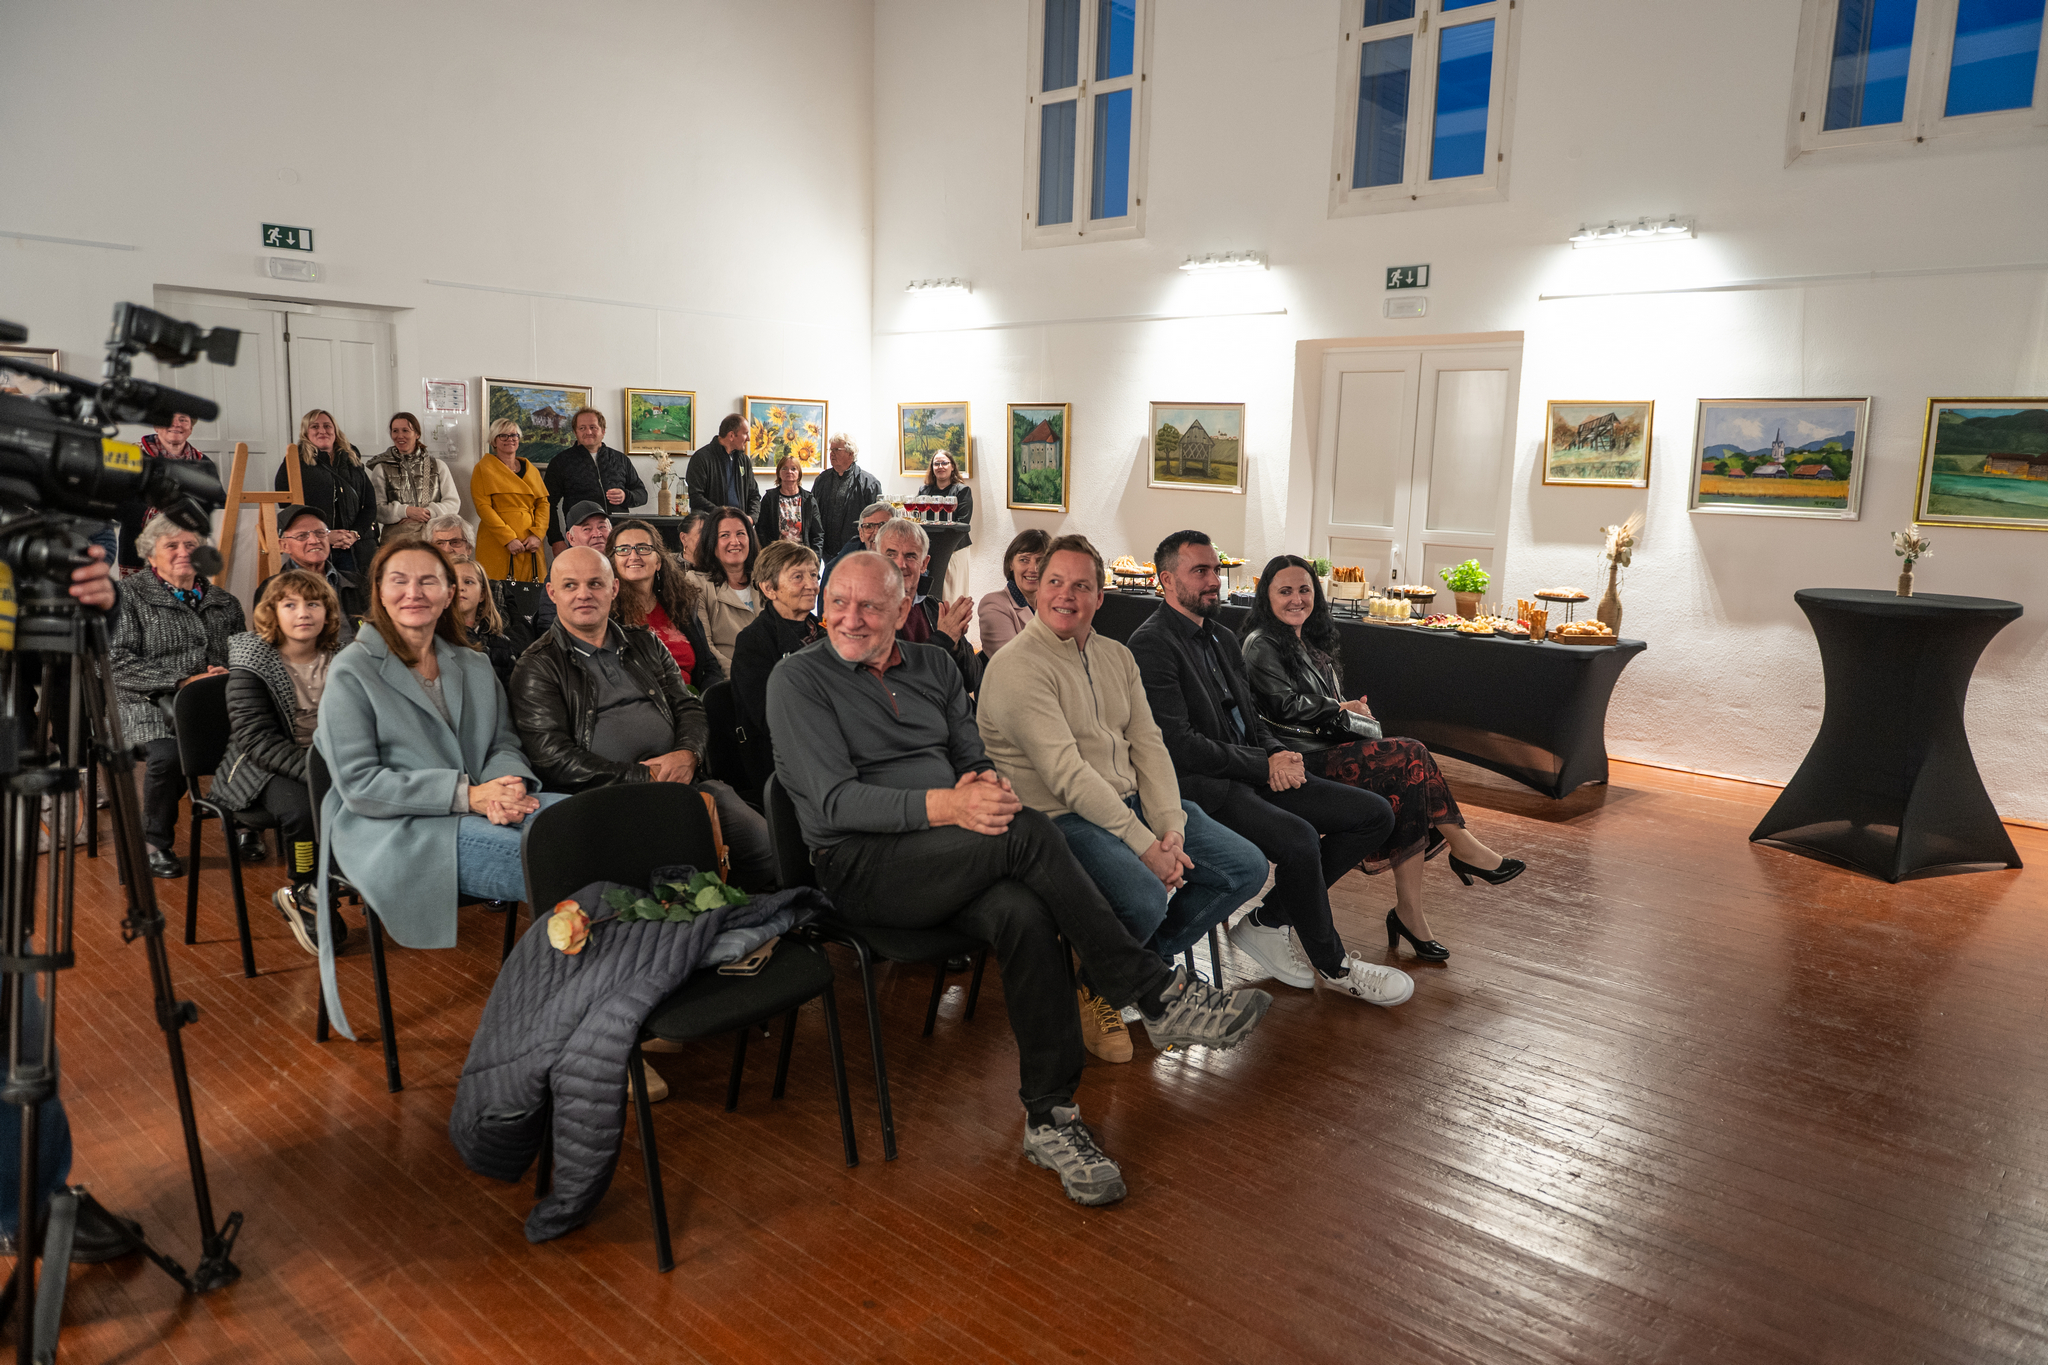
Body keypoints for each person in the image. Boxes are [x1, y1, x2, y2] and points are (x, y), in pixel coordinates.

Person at [766, 550, 1273, 1207]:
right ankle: (1154, 990)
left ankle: (1050, 1116)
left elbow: (968, 752)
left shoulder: (934, 665)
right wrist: (954, 806)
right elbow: (834, 803)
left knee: (1022, 911)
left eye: (869, 605)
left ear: (902, 607)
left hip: (950, 851)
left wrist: (983, 782)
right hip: (861, 867)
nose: (849, 618)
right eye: (837, 602)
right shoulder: (797, 679)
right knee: (1029, 830)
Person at [976, 536, 1269, 1065]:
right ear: (1037, 591)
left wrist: (1170, 827)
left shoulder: (1116, 656)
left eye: (1081, 585)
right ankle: (1125, 984)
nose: (1066, 595)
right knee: (1144, 898)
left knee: (1244, 868)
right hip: (1058, 820)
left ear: (1100, 596)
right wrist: (1145, 846)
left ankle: (1113, 974)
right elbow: (1067, 776)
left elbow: (1149, 745)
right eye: (1054, 582)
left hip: (1130, 804)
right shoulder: (1017, 666)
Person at [1127, 530, 1413, 1007]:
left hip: (1251, 771)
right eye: (1200, 571)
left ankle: (1267, 920)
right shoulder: (1150, 645)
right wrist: (1265, 764)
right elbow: (1179, 746)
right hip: (1204, 787)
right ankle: (1335, 967)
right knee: (1300, 839)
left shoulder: (1221, 637)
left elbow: (1250, 718)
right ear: (1166, 580)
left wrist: (1281, 754)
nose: (1213, 580)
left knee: (1374, 815)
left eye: (1216, 570)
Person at [312, 540, 564, 1032]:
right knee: (562, 861)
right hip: (397, 827)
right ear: (379, 592)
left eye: (428, 580)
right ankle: (580, 1015)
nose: (414, 592)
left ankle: (605, 999)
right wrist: (468, 796)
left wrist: (504, 786)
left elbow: (503, 742)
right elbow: (361, 785)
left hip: (481, 803)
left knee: (588, 825)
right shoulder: (352, 669)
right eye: (399, 580)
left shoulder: (471, 662)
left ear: (450, 593)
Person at [1240, 556, 1525, 962]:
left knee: (1410, 780)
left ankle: (1411, 912)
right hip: (1296, 761)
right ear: (1266, 597)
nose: (1296, 599)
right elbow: (1284, 705)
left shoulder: (1309, 642)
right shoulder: (1261, 643)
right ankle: (1461, 848)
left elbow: (1318, 706)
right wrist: (1341, 708)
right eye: (1284, 591)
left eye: (1304, 589)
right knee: (1411, 754)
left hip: (1326, 750)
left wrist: (1351, 710)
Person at [509, 548, 774, 889]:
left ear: (614, 588)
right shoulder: (537, 666)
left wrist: (688, 754)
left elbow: (688, 706)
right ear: (552, 593)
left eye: (595, 583)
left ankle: (741, 914)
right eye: (570, 585)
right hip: (604, 799)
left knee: (764, 848)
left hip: (686, 783)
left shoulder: (646, 642)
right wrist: (645, 777)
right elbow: (552, 757)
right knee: (676, 873)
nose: (584, 594)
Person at [213, 569, 347, 954]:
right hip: (262, 766)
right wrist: (321, 775)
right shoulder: (252, 660)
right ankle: (305, 888)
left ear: (327, 612)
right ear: (272, 612)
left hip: (333, 759)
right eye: (290, 605)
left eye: (313, 604)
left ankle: (336, 884)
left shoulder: (343, 657)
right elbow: (256, 740)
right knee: (304, 809)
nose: (303, 612)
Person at [110, 516, 247, 878]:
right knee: (169, 756)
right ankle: (154, 842)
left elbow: (242, 654)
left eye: (191, 545)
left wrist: (226, 673)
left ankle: (245, 824)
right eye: (171, 546)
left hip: (216, 702)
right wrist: (183, 680)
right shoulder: (127, 596)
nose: (183, 552)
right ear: (150, 555)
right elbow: (113, 662)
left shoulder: (225, 602)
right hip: (147, 703)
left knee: (255, 740)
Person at [728, 540, 822, 803]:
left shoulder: (827, 633)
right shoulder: (754, 641)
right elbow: (771, 720)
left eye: (814, 575)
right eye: (798, 577)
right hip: (782, 760)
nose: (812, 585)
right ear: (769, 589)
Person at [607, 518, 721, 688]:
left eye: (643, 548)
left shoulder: (679, 603)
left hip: (693, 697)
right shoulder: (607, 613)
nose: (634, 556)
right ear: (613, 562)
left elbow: (709, 664)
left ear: (658, 562)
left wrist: (707, 697)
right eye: (623, 549)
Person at [873, 517, 978, 694]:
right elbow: (898, 682)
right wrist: (944, 639)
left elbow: (972, 681)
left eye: (910, 556)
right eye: (891, 555)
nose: (901, 564)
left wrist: (955, 646)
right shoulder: (867, 614)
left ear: (924, 564)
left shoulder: (935, 608)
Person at [113, 411, 217, 569]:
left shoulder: (203, 463)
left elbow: (218, 504)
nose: (176, 424)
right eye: (169, 419)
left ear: (190, 428)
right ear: (156, 426)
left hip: (188, 554)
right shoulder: (131, 456)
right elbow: (116, 503)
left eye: (183, 420)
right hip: (139, 550)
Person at [275, 409, 375, 571]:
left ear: (335, 431)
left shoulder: (353, 462)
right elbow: (289, 511)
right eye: (315, 426)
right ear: (306, 433)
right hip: (315, 548)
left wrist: (354, 534)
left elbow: (370, 506)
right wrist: (325, 535)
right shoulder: (294, 463)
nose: (322, 431)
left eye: (327, 426)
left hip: (356, 548)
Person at [257, 504, 368, 636]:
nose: (314, 540)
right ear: (284, 546)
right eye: (302, 536)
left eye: (320, 533)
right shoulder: (270, 590)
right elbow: (267, 639)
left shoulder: (356, 582)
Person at [543, 407, 645, 546]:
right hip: (582, 539)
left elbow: (642, 494)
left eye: (593, 427)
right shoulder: (560, 462)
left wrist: (625, 496)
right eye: (582, 428)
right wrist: (556, 540)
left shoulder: (620, 459)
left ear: (603, 431)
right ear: (575, 432)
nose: (588, 432)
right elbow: (547, 504)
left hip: (619, 538)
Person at [471, 417, 551, 583]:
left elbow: (543, 504)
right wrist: (508, 538)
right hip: (497, 543)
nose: (510, 439)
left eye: (514, 435)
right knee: (497, 591)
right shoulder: (483, 468)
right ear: (494, 440)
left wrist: (538, 535)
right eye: (503, 435)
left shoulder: (531, 469)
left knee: (531, 592)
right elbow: (483, 507)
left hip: (530, 543)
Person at [688, 505, 762, 676]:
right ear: (711, 541)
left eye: (740, 533)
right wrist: (742, 677)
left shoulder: (766, 581)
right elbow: (706, 647)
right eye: (724, 535)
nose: (735, 541)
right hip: (728, 678)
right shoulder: (696, 583)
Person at [366, 412, 460, 537]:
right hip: (397, 539)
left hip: (434, 537)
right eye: (395, 431)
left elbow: (453, 503)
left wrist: (428, 513)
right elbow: (377, 509)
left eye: (405, 430)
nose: (400, 436)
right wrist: (405, 511)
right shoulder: (381, 468)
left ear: (417, 434)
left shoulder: (438, 465)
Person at [529, 501, 616, 635]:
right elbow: (548, 620)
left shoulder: (623, 560)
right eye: (587, 529)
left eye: (602, 526)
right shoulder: (562, 567)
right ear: (571, 538)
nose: (597, 533)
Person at [454, 557, 533, 691]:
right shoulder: (434, 639)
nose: (460, 588)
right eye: (453, 582)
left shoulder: (502, 643)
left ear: (482, 594)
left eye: (468, 582)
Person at [978, 528, 1051, 656]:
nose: (1033, 569)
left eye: (1041, 561)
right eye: (1024, 560)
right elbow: (1011, 660)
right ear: (1011, 564)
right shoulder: (994, 604)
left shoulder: (1055, 604)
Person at [811, 432, 883, 560]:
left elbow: (876, 521)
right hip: (827, 552)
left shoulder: (869, 483)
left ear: (851, 454)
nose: (831, 454)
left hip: (857, 551)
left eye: (836, 450)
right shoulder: (822, 480)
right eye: (831, 450)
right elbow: (813, 514)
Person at [917, 450, 973, 601]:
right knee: (930, 592)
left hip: (954, 549)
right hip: (929, 549)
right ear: (932, 468)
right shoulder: (924, 491)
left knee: (951, 591)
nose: (940, 467)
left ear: (952, 466)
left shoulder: (962, 491)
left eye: (944, 463)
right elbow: (918, 518)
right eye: (936, 464)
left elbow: (963, 522)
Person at [685, 413, 762, 519]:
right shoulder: (701, 458)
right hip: (711, 525)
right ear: (731, 436)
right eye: (745, 433)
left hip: (740, 524)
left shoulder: (744, 461)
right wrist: (723, 516)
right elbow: (696, 497)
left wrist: (751, 518)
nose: (748, 438)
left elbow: (754, 495)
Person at [819, 499, 898, 593]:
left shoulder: (905, 562)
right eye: (869, 526)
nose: (876, 532)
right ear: (861, 534)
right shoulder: (837, 569)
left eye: (883, 525)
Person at [754, 452, 824, 555]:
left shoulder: (808, 499)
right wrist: (769, 552)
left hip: (803, 555)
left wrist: (815, 558)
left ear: (799, 473)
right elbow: (761, 529)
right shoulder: (770, 498)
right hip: (776, 555)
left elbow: (818, 534)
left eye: (793, 469)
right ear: (779, 473)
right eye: (784, 468)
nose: (789, 472)